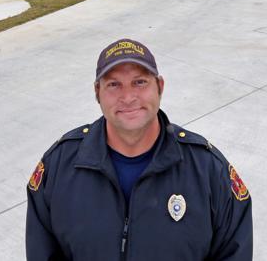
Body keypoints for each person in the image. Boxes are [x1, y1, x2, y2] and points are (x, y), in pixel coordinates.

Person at [26, 38, 253, 260]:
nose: (128, 97)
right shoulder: (58, 167)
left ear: (159, 87)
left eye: (140, 82)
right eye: (114, 84)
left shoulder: (209, 170)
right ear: (97, 92)